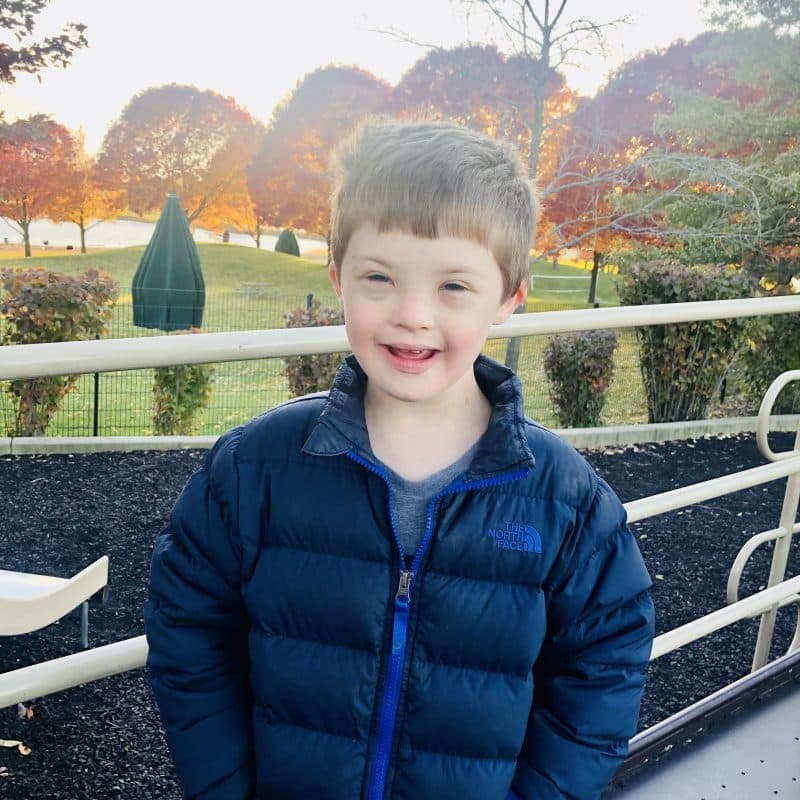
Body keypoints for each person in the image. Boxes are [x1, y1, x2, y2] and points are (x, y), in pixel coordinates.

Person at [144, 119, 655, 800]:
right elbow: (189, 639)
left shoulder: (567, 502)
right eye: (380, 277)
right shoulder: (252, 471)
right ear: (338, 277)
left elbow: (604, 667)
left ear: (510, 293)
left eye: (453, 287)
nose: (412, 315)